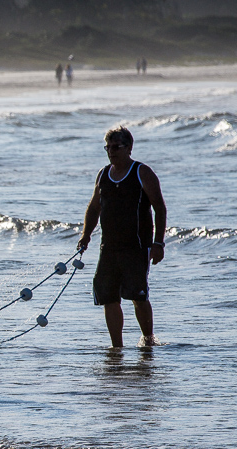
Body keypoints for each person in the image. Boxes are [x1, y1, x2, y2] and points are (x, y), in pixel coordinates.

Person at [77, 126, 167, 348]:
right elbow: (94, 207)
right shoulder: (103, 173)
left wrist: (158, 243)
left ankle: (148, 340)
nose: (111, 152)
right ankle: (116, 347)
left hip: (136, 247)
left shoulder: (142, 172)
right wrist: (85, 235)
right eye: (107, 148)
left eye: (116, 147)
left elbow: (160, 208)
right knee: (108, 297)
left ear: (129, 148)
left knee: (138, 295)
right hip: (108, 247)